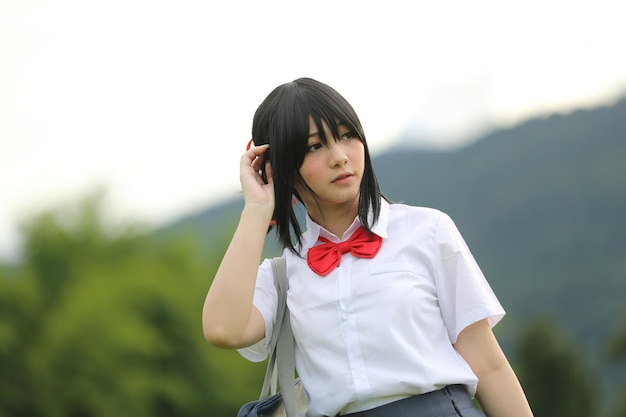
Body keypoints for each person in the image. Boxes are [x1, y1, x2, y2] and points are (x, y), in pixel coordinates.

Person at [202, 78, 533, 417]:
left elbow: (488, 365)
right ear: (279, 166)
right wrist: (257, 210)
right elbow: (222, 329)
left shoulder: (427, 231)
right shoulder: (283, 275)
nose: (340, 157)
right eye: (315, 146)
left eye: (347, 135)